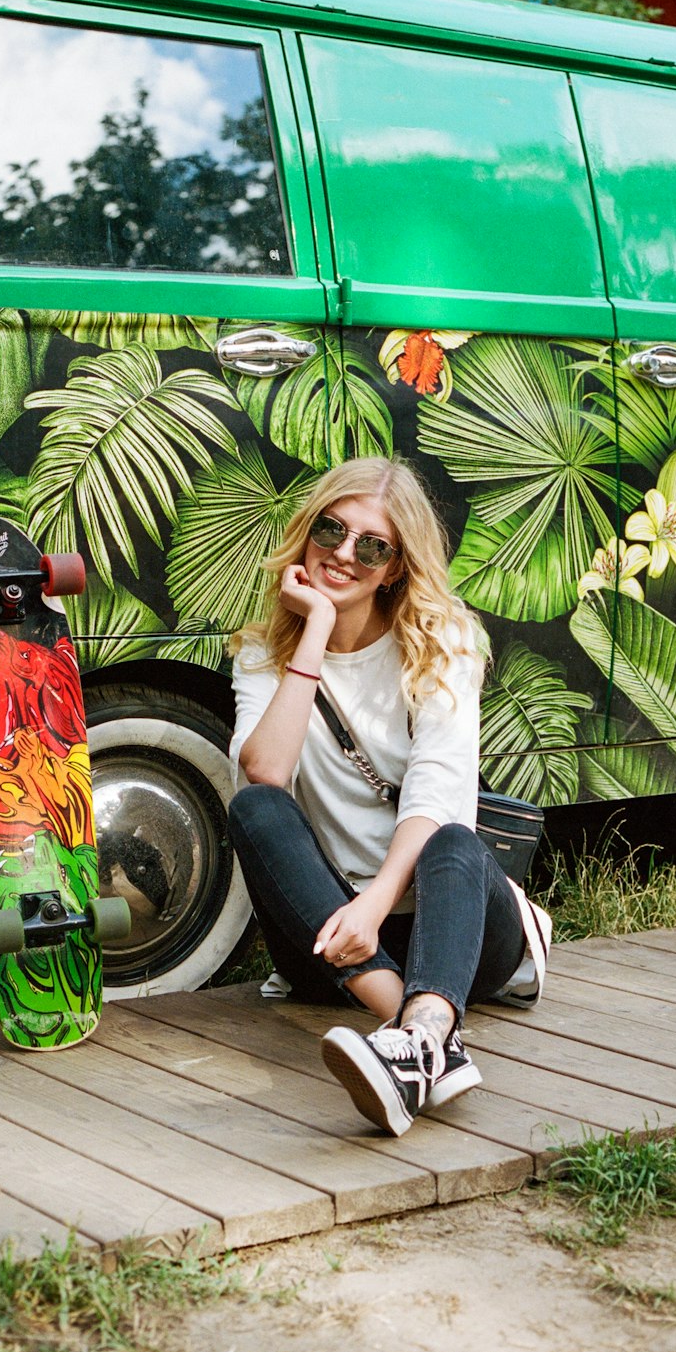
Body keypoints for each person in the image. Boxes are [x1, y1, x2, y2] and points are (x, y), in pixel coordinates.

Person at [227, 456, 551, 1137]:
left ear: (397, 566)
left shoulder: (442, 640)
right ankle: (427, 1039)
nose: (344, 555)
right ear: (308, 530)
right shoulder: (263, 654)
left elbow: (439, 794)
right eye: (331, 531)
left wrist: (376, 905)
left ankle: (419, 1036)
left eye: (371, 546)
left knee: (453, 841)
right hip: (330, 935)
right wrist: (312, 632)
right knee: (255, 810)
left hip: (450, 932)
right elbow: (265, 774)